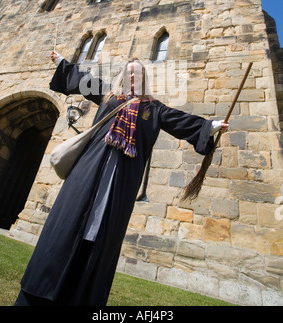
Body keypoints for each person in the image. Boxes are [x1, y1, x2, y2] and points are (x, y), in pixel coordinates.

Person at [15, 52, 229, 306]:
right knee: (66, 227)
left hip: (121, 183)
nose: (132, 75)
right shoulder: (108, 96)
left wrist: (211, 126)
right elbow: (82, 78)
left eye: (137, 72)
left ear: (142, 78)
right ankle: (36, 294)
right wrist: (62, 62)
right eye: (128, 71)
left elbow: (180, 121)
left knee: (101, 241)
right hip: (86, 174)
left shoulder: (153, 108)